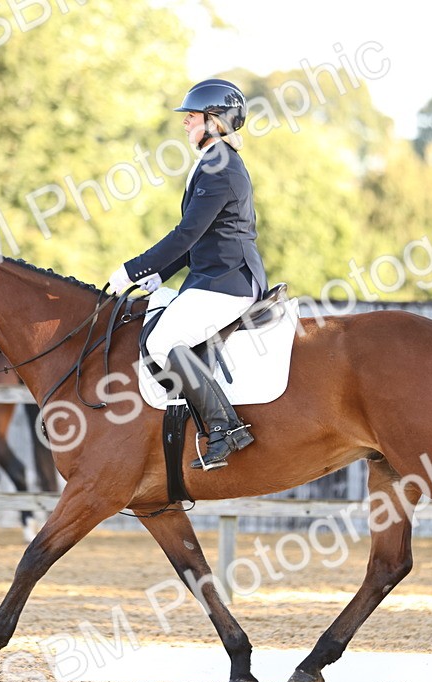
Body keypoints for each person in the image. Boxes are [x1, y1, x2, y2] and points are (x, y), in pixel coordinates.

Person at [108, 78, 268, 470]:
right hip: (213, 277)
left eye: (192, 116)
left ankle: (225, 428)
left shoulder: (222, 169)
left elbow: (186, 234)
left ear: (215, 121)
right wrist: (161, 276)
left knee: (162, 341)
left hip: (228, 283)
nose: (185, 123)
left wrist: (132, 269)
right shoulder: (214, 163)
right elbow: (201, 237)